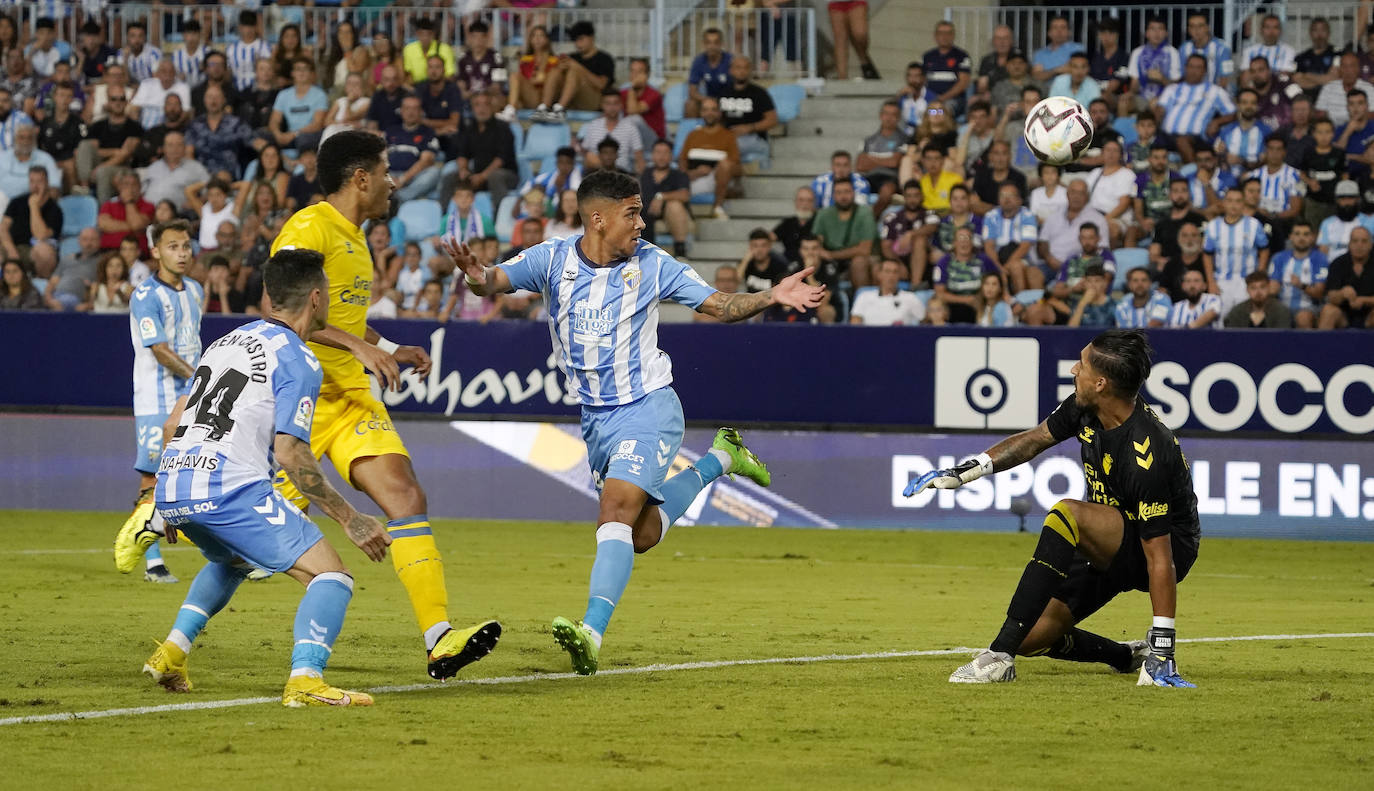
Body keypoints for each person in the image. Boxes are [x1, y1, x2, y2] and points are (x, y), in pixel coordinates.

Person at [442, 168, 824, 674]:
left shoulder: (652, 264)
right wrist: (475, 274)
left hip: (648, 407)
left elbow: (720, 305)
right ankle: (720, 459)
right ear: (598, 218)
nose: (641, 223)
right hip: (596, 420)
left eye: (641, 211)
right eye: (632, 213)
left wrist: (770, 297)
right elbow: (493, 281)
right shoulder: (552, 259)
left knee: (615, 512)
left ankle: (590, 634)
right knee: (639, 534)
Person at [264, 130, 504, 681]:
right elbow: (278, 311)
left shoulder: (358, 239)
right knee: (244, 549)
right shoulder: (309, 228)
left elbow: (343, 321)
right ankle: (174, 635)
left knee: (405, 495)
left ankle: (439, 640)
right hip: (298, 402)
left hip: (350, 399)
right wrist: (362, 347)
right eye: (387, 172)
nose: (395, 183)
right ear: (360, 178)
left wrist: (390, 347)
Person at [126, 247, 392, 706]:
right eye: (326, 291)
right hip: (228, 488)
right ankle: (306, 681)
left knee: (232, 559)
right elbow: (290, 453)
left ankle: (172, 652)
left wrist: (164, 498)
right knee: (332, 577)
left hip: (173, 486)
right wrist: (351, 518)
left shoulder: (224, 343)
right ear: (315, 298)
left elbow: (172, 426)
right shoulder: (299, 359)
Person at [908, 330, 1199, 688]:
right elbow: (1034, 439)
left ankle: (999, 656)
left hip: (1163, 546)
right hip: (1107, 539)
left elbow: (1161, 557)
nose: (1075, 370)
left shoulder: (1145, 451)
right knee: (1032, 636)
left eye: (1084, 365)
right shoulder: (1083, 407)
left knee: (1067, 513)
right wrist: (965, 472)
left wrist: (1164, 649)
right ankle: (1123, 655)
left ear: (1102, 383)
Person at [111, 220, 203, 584]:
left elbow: (192, 338)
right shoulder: (145, 295)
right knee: (152, 478)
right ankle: (151, 559)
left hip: (190, 394)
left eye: (185, 246)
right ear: (155, 251)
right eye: (173, 246)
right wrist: (201, 379)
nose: (182, 253)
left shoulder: (195, 289)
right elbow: (160, 350)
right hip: (156, 397)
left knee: (199, 467)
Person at [1154, 56, 1236, 162]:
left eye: (1198, 68)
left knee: (1182, 141)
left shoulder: (1215, 91)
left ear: (1205, 71)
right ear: (1185, 68)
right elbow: (1160, 109)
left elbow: (1233, 113)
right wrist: (1157, 114)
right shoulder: (1172, 89)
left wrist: (1217, 122)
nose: (1193, 71)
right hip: (1167, 136)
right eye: (1191, 66)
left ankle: (1193, 171)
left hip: (1195, 138)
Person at [533, 21, 615, 123]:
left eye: (581, 39)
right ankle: (544, 108)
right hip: (572, 99)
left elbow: (602, 85)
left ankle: (560, 110)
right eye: (575, 40)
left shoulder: (604, 59)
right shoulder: (572, 57)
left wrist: (578, 68)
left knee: (574, 71)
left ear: (592, 38)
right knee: (555, 70)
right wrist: (560, 68)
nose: (578, 44)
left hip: (594, 101)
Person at [1205, 187, 1270, 313]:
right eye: (1230, 201)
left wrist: (1259, 274)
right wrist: (1211, 282)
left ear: (1243, 203)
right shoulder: (1213, 226)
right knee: (1221, 319)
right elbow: (1207, 254)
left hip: (1247, 281)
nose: (1233, 205)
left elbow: (1264, 249)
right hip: (1221, 281)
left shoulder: (1254, 224)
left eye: (1238, 201)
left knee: (1244, 318)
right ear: (1223, 203)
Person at [450, 93, 519, 209]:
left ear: (492, 107)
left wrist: (482, 176)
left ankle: (500, 216)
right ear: (472, 108)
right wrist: (463, 170)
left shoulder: (503, 128)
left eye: (486, 104)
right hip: (478, 173)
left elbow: (501, 159)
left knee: (495, 177)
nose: (481, 109)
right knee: (451, 177)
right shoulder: (470, 128)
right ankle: (447, 216)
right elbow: (462, 154)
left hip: (506, 174)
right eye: (477, 105)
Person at [679, 96, 740, 220]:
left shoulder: (728, 136)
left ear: (719, 113)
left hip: (716, 179)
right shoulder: (693, 135)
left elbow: (735, 164)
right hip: (693, 179)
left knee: (725, 165)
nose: (709, 113)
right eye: (706, 110)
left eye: (713, 109)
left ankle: (717, 207)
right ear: (701, 113)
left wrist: (716, 171)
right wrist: (692, 174)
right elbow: (682, 160)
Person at [78, 84, 142, 201]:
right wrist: (116, 151)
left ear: (126, 102)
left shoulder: (135, 127)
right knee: (83, 146)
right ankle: (84, 187)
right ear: (108, 102)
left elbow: (125, 155)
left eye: (121, 99)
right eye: (114, 99)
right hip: (98, 165)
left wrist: (102, 165)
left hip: (123, 168)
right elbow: (94, 150)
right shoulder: (98, 125)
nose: (118, 102)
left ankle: (103, 213)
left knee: (103, 172)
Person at [812, 178, 877, 287]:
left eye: (847, 192)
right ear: (833, 195)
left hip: (858, 259)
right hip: (831, 261)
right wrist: (820, 252)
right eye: (839, 192)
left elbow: (864, 250)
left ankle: (861, 301)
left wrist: (831, 255)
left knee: (859, 263)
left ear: (853, 193)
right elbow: (816, 241)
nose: (843, 197)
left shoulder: (864, 212)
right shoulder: (823, 214)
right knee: (811, 257)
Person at [1038, 179, 1107, 281]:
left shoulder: (1098, 219)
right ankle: (1040, 297)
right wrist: (1049, 259)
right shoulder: (1054, 215)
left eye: (1081, 193)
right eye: (1073, 192)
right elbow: (1042, 242)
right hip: (1050, 264)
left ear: (1087, 197)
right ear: (1067, 194)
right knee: (1033, 273)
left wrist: (1077, 265)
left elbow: (1102, 249)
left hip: (1080, 267)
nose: (1076, 197)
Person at [1267, 220, 1327, 328]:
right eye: (1297, 234)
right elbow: (1272, 288)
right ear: (1291, 237)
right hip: (1281, 307)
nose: (1301, 238)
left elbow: (1319, 293)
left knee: (1303, 318)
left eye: (1306, 234)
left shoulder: (1320, 259)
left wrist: (1301, 285)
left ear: (1312, 237)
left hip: (1310, 308)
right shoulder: (1279, 258)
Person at [931, 225, 997, 323]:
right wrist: (966, 300)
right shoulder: (944, 262)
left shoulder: (984, 260)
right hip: (953, 305)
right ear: (954, 243)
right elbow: (940, 293)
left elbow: (998, 280)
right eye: (960, 238)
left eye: (967, 238)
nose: (964, 242)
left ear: (972, 242)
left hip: (980, 303)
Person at [718, 56, 776, 165]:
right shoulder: (723, 92)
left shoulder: (759, 93)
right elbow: (717, 117)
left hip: (753, 139)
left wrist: (749, 128)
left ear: (750, 71)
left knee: (724, 148)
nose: (742, 71)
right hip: (728, 137)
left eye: (745, 68)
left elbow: (772, 120)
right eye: (738, 68)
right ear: (731, 70)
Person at [982, 181, 1039, 292]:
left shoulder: (1028, 216)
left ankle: (1020, 302)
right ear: (998, 200)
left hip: (1022, 259)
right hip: (997, 259)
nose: (1006, 199)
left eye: (1011, 196)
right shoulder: (991, 216)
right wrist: (998, 267)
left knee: (1015, 266)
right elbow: (989, 246)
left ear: (1020, 200)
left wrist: (1006, 268)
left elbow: (1025, 246)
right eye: (1003, 196)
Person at [0, 166, 60, 268]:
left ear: (47, 183)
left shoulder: (54, 209)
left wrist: (33, 206)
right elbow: (3, 228)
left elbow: (40, 235)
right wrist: (11, 250)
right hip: (12, 246)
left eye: (39, 182)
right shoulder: (17, 202)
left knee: (44, 253)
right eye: (32, 181)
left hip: (34, 249)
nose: (35, 186)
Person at [640, 139, 691, 259]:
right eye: (658, 152)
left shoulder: (679, 174)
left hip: (670, 212)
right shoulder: (646, 174)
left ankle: (680, 249)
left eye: (665, 152)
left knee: (674, 205)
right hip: (647, 211)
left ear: (671, 156)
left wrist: (662, 197)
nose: (661, 156)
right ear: (652, 155)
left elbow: (684, 195)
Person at [385, 96, 441, 203]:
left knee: (434, 172)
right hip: (389, 174)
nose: (410, 112)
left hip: (414, 177)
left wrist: (402, 180)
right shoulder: (390, 131)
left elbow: (426, 161)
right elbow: (380, 158)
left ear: (421, 112)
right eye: (407, 108)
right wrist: (388, 178)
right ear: (401, 111)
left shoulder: (428, 133)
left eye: (415, 109)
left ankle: (399, 199)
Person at [882, 180, 937, 285]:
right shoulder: (893, 217)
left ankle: (916, 285)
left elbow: (932, 227)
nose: (912, 200)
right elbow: (885, 246)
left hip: (926, 263)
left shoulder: (929, 214)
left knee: (919, 240)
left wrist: (910, 234)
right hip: (900, 261)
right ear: (904, 197)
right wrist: (898, 264)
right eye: (909, 196)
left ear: (921, 196)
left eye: (916, 196)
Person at [1318, 227, 1374, 329]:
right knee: (1328, 310)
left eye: (1364, 241)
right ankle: (1322, 345)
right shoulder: (1338, 263)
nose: (1359, 245)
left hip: (1370, 314)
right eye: (1355, 241)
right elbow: (1331, 296)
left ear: (1371, 245)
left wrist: (1364, 300)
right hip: (1344, 315)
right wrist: (1342, 294)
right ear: (1349, 244)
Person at [578, 89, 644, 175]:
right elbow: (586, 155)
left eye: (615, 103)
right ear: (602, 105)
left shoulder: (631, 128)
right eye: (608, 103)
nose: (612, 107)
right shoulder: (593, 126)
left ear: (621, 105)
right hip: (596, 175)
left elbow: (639, 159)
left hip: (622, 176)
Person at [500, 25, 559, 119]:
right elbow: (529, 80)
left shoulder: (555, 60)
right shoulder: (525, 60)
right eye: (534, 36)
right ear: (530, 40)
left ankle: (512, 109)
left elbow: (547, 81)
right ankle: (510, 110)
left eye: (541, 36)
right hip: (530, 96)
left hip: (546, 99)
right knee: (514, 76)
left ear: (547, 40)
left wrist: (540, 74)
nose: (537, 39)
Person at [1086, 140, 1136, 248]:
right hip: (1093, 215)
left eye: (1115, 151)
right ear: (1102, 153)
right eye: (1108, 150)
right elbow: (1084, 197)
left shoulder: (1126, 174)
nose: (1111, 154)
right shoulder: (1095, 173)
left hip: (1116, 218)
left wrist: (1103, 221)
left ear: (1121, 155)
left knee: (1110, 229)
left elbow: (1124, 203)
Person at [1149, 178, 1207, 268]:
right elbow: (1154, 254)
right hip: (1169, 267)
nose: (1180, 195)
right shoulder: (1161, 223)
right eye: (1175, 191)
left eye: (1184, 191)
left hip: (1194, 266)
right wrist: (1162, 261)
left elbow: (1205, 248)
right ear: (1169, 195)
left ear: (1189, 194)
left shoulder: (1199, 219)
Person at [415, 56, 463, 159]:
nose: (434, 71)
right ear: (426, 70)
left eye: (437, 67)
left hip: (446, 136)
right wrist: (437, 129)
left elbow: (454, 122)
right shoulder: (420, 88)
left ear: (444, 70)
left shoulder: (452, 89)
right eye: (430, 67)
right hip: (427, 133)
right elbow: (414, 118)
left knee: (453, 134)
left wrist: (425, 122)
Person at [850, 258, 923, 325]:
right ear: (879, 275)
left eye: (895, 272)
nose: (891, 276)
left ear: (899, 276)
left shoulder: (910, 298)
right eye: (887, 271)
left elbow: (924, 322)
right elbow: (855, 325)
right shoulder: (864, 297)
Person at [1125, 18, 1180, 107]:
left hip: (1165, 97)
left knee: (1154, 104)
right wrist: (1144, 77)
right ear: (1147, 33)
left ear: (1166, 33)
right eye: (1152, 29)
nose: (1156, 33)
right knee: (1124, 102)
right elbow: (1134, 85)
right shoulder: (1137, 52)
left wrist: (1162, 79)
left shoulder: (1173, 53)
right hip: (1142, 96)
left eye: (1160, 29)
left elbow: (1176, 87)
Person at [1301, 119, 1345, 228]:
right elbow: (1302, 173)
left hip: (1334, 201)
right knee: (1312, 228)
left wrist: (1341, 193)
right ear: (1314, 134)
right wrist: (1310, 182)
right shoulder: (1308, 153)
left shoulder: (1339, 153)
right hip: (1313, 201)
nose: (1324, 136)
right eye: (1320, 132)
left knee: (1333, 228)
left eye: (1327, 132)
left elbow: (1345, 174)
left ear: (1333, 134)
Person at [922, 21, 971, 117]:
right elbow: (921, 80)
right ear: (935, 36)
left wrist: (942, 98)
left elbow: (963, 83)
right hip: (929, 99)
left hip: (953, 100)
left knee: (939, 113)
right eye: (941, 33)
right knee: (916, 110)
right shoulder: (927, 56)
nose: (944, 36)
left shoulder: (962, 56)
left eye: (948, 33)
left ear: (953, 36)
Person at [1218, 89, 1270, 174]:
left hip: (1255, 181)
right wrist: (1222, 156)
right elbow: (1220, 160)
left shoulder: (1266, 131)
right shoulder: (1226, 131)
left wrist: (1240, 161)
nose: (1249, 106)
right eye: (1244, 103)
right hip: (1229, 181)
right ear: (1238, 105)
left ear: (1257, 106)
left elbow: (1267, 163)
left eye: (1253, 103)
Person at [1315, 54, 1374, 127]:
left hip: (1361, 131)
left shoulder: (1369, 88)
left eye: (1352, 66)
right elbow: (1320, 115)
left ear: (1358, 69)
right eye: (1344, 66)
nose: (1348, 70)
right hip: (1332, 132)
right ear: (1339, 69)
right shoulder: (1328, 88)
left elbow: (1372, 115)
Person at [685, 28, 732, 118]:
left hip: (728, 100)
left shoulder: (731, 60)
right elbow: (692, 92)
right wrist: (708, 100)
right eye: (708, 42)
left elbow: (738, 88)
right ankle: (695, 131)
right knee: (690, 105)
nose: (712, 46)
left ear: (721, 44)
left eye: (716, 42)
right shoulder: (698, 61)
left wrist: (720, 101)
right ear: (704, 44)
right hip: (709, 99)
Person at [1178, 13, 1233, 90]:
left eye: (1200, 26)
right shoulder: (1183, 48)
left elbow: (1226, 78)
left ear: (1207, 27)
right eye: (1192, 26)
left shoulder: (1223, 48)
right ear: (1188, 29)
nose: (1196, 30)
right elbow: (1182, 75)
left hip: (1216, 94)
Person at [457, 20, 507, 104]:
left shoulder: (496, 57)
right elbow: (461, 84)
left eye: (481, 37)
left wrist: (479, 94)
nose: (478, 41)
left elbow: (498, 86)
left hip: (489, 97)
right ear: (469, 38)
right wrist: (467, 94)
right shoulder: (463, 58)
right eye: (474, 37)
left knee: (498, 100)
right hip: (470, 98)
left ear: (486, 38)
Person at [1223, 269, 1292, 327]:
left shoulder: (1281, 312)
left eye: (1262, 287)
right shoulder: (1237, 312)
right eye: (1253, 288)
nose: (1258, 292)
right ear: (1247, 290)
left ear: (1269, 288)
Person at [829, 0, 879, 81]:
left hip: (857, 2)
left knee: (860, 34)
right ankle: (842, 77)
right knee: (840, 40)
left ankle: (864, 60)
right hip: (835, 2)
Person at [225, 11, 272, 93]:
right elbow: (228, 71)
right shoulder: (231, 49)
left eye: (252, 26)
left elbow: (269, 69)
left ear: (256, 27)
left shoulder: (265, 47)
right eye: (245, 26)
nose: (249, 29)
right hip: (237, 92)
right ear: (240, 27)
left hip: (259, 91)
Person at [622, 58, 665, 146]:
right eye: (632, 71)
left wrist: (633, 87)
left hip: (654, 140)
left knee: (634, 119)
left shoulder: (654, 94)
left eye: (639, 72)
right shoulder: (623, 93)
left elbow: (632, 111)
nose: (635, 75)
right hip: (631, 138)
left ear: (647, 75)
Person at [1031, 16, 1084, 85]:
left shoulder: (1078, 48)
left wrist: (1047, 72)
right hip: (1046, 92)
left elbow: (1078, 70)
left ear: (1069, 32)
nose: (1059, 31)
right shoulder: (1040, 54)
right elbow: (1037, 76)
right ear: (1049, 32)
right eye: (1055, 28)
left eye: (1063, 27)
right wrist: (1056, 70)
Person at [402, 17, 456, 85]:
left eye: (429, 34)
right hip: (417, 87)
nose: (425, 37)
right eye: (421, 34)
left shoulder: (445, 49)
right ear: (417, 34)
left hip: (439, 86)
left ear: (433, 34)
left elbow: (450, 76)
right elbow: (408, 74)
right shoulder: (408, 49)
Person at [1242, 15, 1296, 80]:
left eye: (1275, 27)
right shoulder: (1249, 51)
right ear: (1261, 30)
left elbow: (1286, 76)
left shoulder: (1289, 51)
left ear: (1280, 30)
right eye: (1267, 27)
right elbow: (1246, 77)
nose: (1271, 31)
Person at [738, 227, 790, 296]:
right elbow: (735, 283)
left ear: (769, 246)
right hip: (751, 304)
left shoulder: (780, 265)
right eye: (755, 246)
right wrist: (745, 261)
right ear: (750, 247)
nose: (759, 250)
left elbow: (784, 292)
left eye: (763, 245)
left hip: (773, 304)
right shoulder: (746, 264)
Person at [774, 186, 815, 263]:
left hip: (812, 263)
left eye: (809, 200)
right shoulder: (788, 222)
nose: (805, 204)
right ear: (795, 202)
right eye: (801, 200)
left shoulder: (819, 222)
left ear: (814, 203)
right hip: (787, 264)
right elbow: (769, 238)